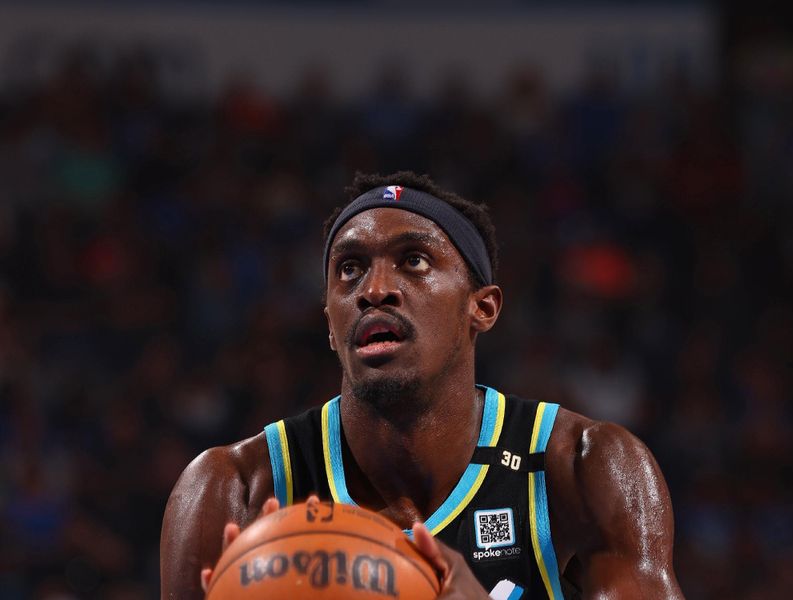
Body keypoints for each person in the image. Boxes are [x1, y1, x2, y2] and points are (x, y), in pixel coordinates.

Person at [160, 171, 684, 599]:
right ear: (329, 322)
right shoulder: (234, 490)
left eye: (413, 260)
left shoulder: (584, 467)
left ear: (482, 308)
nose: (375, 290)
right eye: (349, 269)